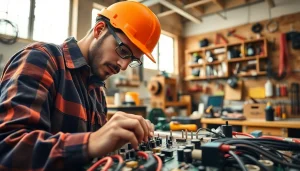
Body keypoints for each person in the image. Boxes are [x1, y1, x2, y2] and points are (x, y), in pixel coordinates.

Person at [0, 1, 161, 170]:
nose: (123, 66)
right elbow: (7, 148)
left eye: (132, 60)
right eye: (123, 51)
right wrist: (91, 141)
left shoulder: (97, 92)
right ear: (99, 30)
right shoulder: (42, 59)